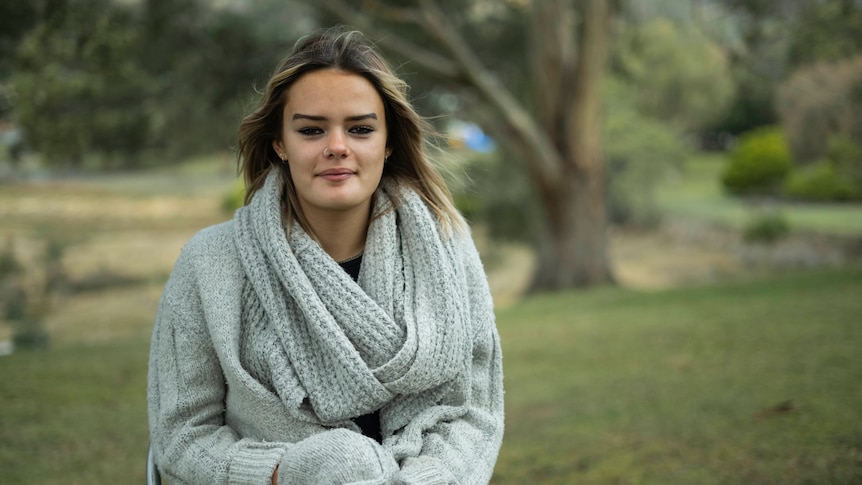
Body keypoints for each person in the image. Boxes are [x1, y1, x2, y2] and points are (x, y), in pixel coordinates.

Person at [147, 26, 504, 484]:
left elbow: (474, 413)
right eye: (312, 130)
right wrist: (288, 473)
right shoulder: (211, 264)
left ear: (388, 141)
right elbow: (180, 437)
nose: (337, 146)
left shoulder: (448, 248)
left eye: (360, 129)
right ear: (280, 142)